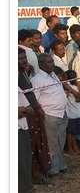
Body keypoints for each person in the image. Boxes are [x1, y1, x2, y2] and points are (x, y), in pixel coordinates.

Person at [30, 54, 69, 176]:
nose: (52, 64)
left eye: (52, 61)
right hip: (50, 115)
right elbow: (35, 100)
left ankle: (61, 164)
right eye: (48, 62)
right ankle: (53, 168)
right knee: (51, 143)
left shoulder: (53, 76)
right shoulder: (37, 80)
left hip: (62, 113)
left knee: (60, 141)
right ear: (41, 64)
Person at [19, 49, 51, 182]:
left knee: (39, 143)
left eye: (24, 58)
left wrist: (37, 107)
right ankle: (32, 175)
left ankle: (39, 171)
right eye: (19, 59)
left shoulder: (24, 72)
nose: (23, 61)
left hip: (33, 112)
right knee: (30, 146)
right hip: (24, 116)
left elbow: (30, 93)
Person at [18, 85, 36, 193]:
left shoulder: (16, 88)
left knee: (24, 164)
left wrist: (23, 110)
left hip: (22, 130)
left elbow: (30, 109)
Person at [62, 69, 80, 154]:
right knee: (70, 133)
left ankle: (74, 147)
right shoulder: (69, 88)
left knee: (73, 133)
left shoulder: (71, 87)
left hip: (75, 113)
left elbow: (79, 98)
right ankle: (71, 148)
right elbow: (78, 97)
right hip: (71, 114)